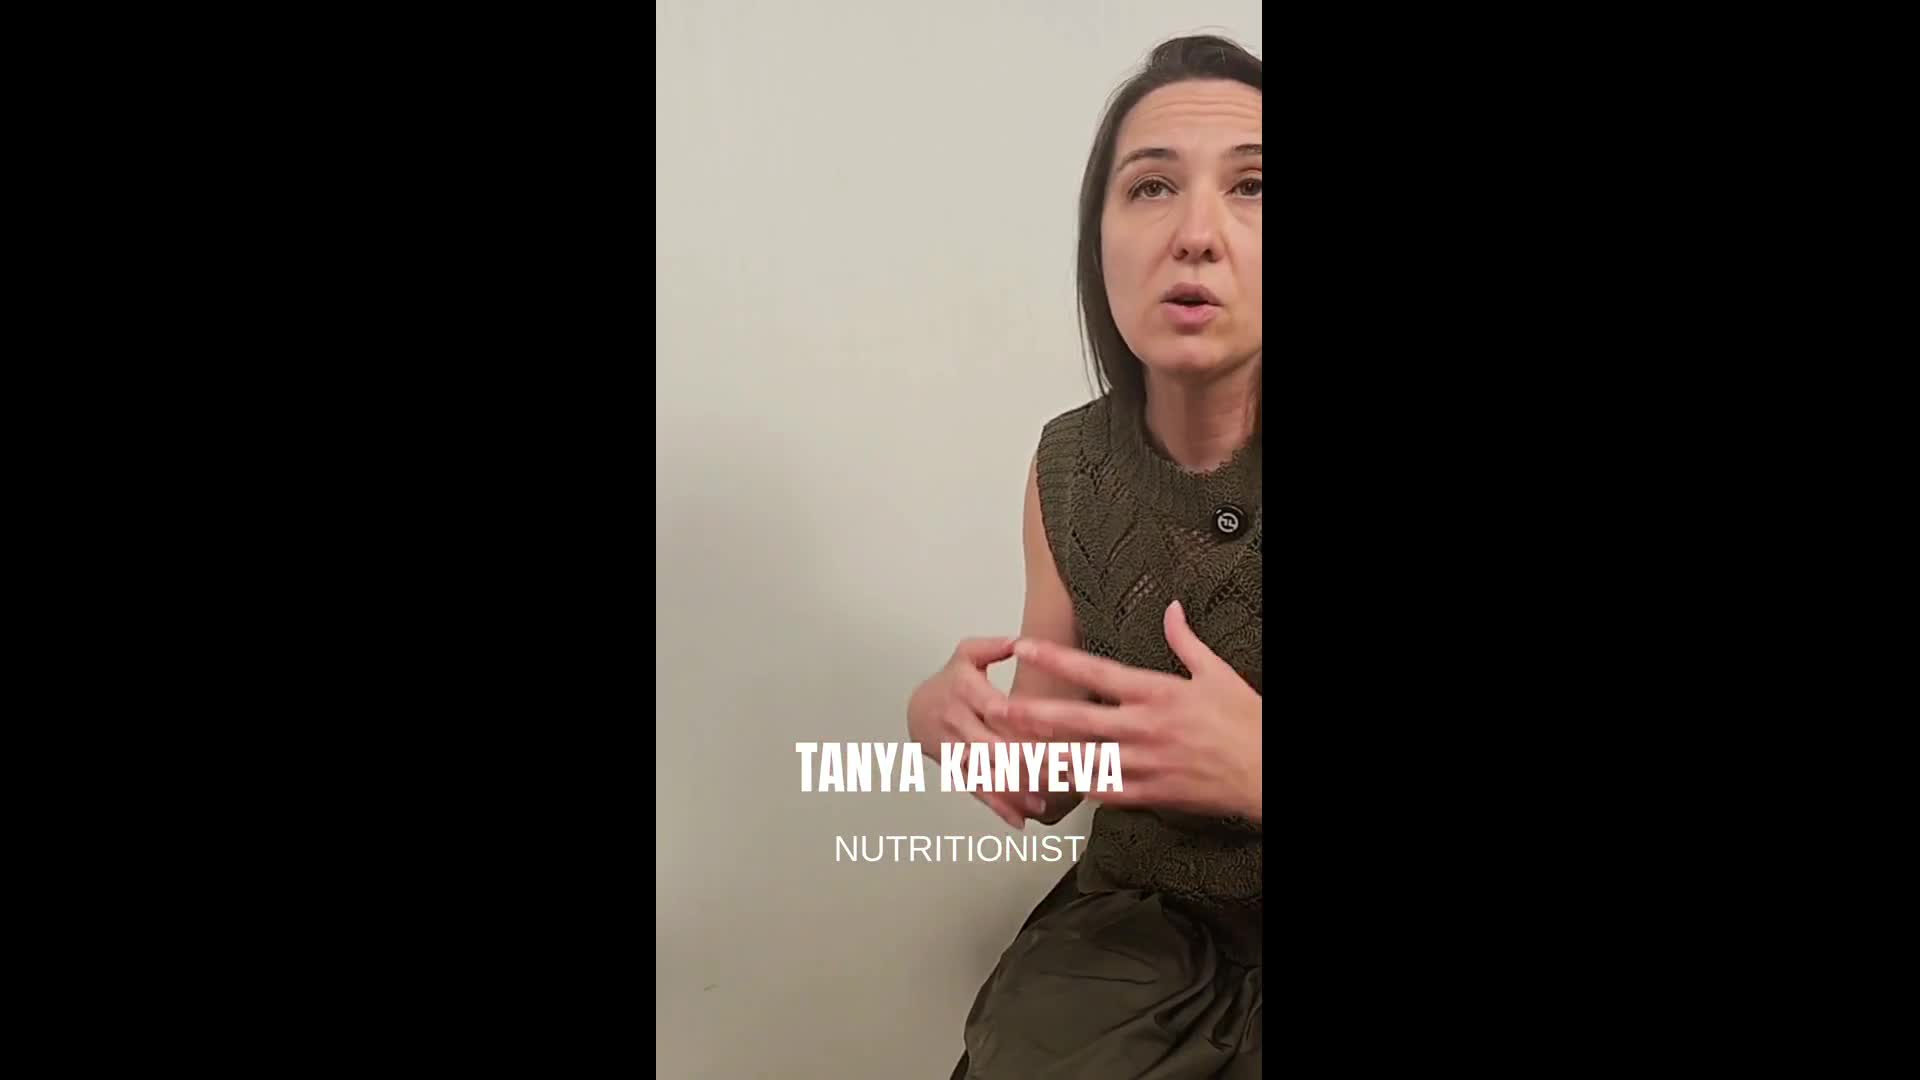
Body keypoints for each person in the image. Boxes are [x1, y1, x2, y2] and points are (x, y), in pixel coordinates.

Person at [905, 34, 1263, 1079]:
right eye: (1151, 187)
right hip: (1139, 945)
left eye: (1253, 187)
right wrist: (944, 720)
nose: (1195, 235)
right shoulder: (1070, 465)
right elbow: (1053, 775)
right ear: (1097, 240)